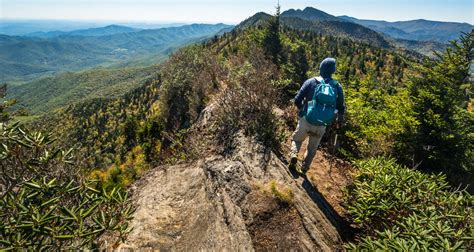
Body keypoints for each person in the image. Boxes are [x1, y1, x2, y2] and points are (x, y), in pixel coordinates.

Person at [289, 57, 345, 173]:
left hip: (307, 119)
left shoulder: (311, 81)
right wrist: (339, 119)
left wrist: (302, 111)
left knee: (297, 140)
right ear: (333, 70)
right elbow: (341, 106)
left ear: (321, 68)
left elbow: (297, 99)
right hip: (322, 123)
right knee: (312, 148)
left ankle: (294, 155)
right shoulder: (337, 86)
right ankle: (304, 167)